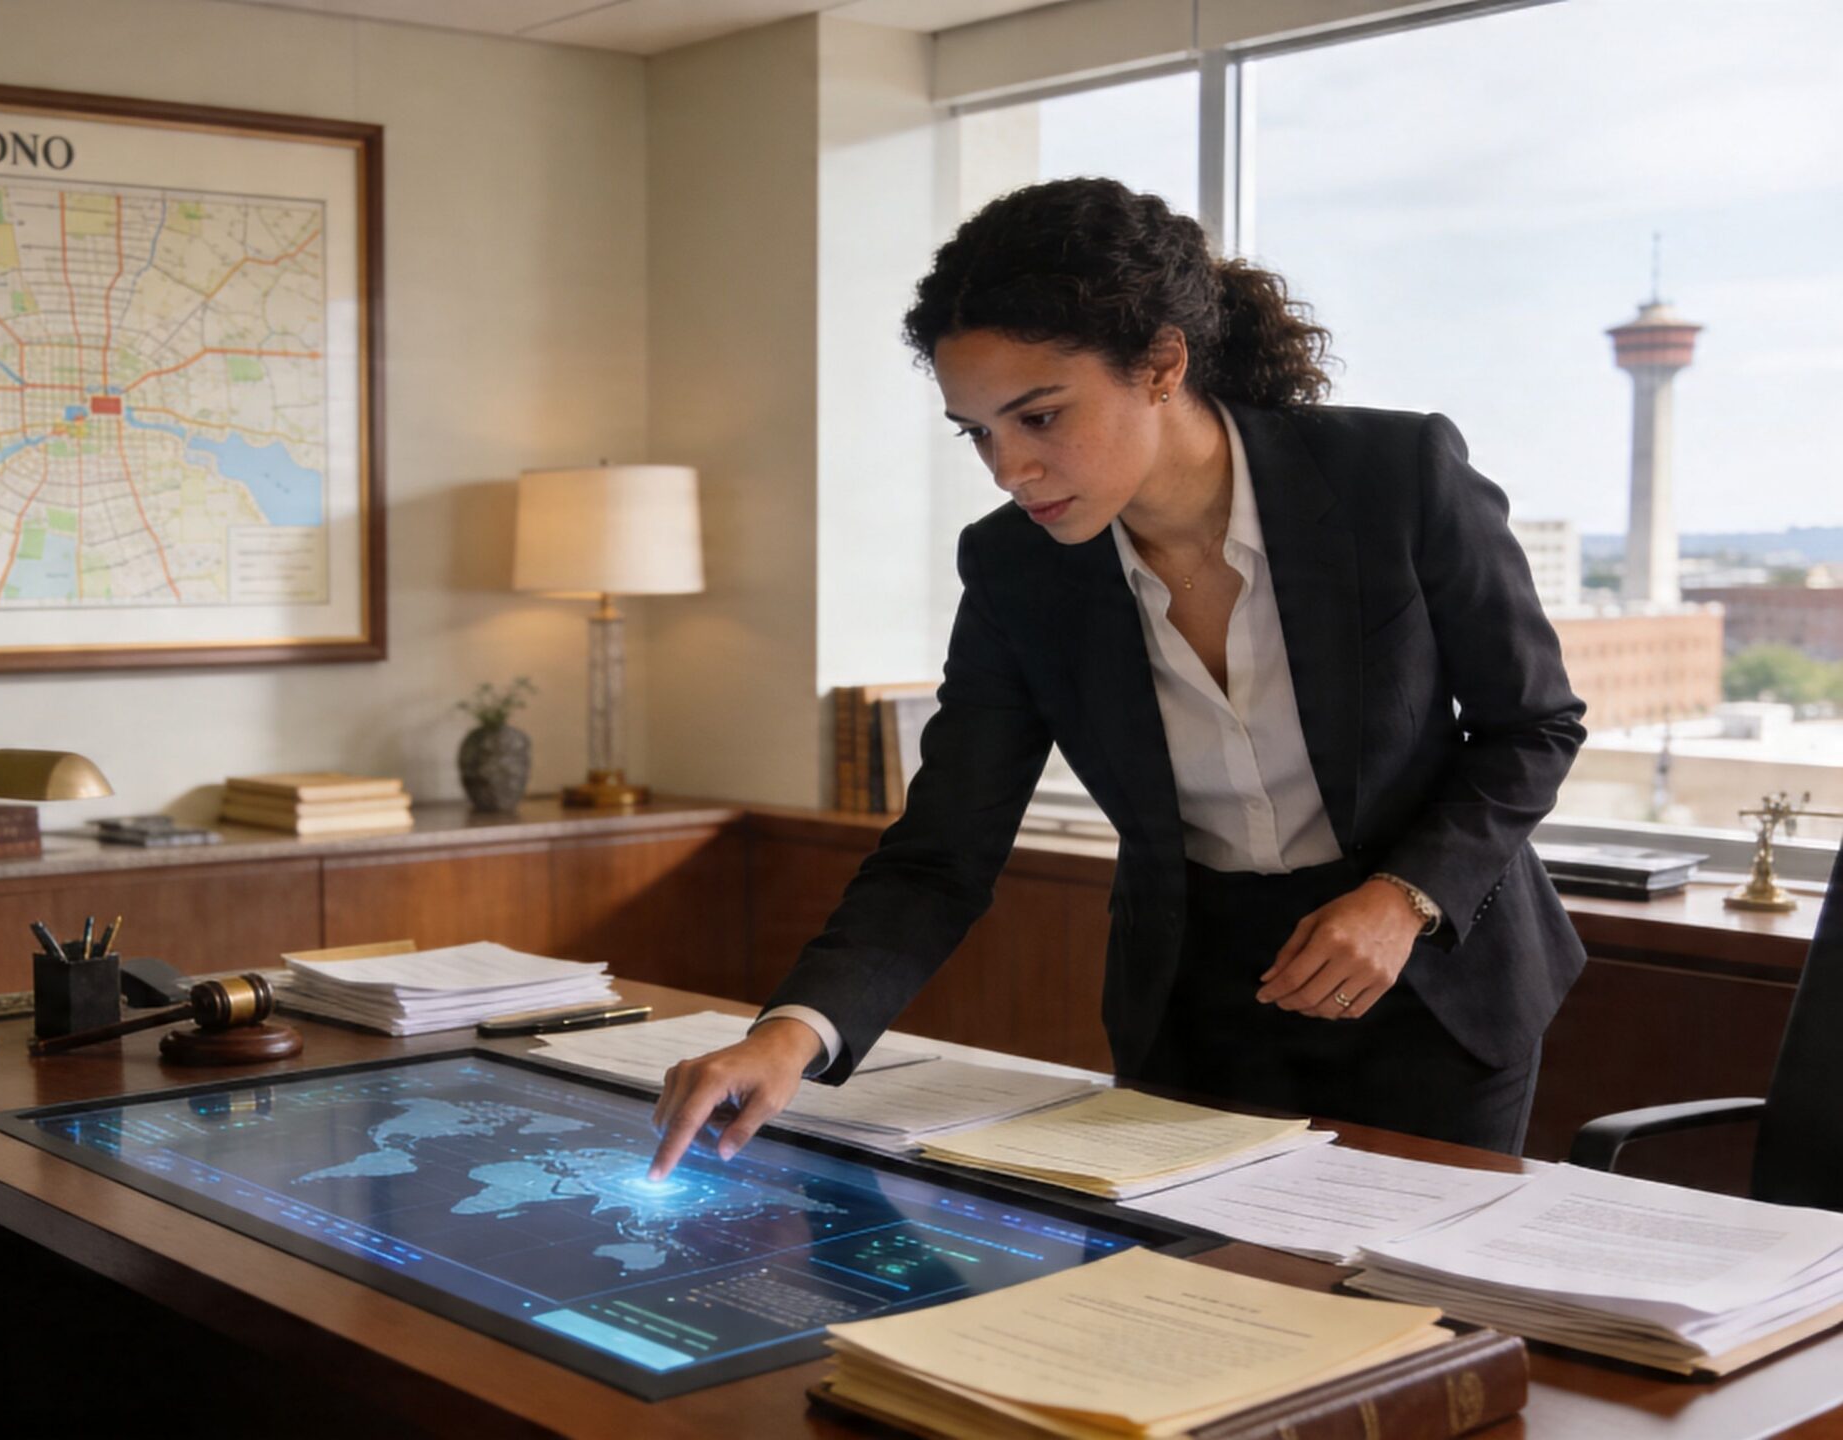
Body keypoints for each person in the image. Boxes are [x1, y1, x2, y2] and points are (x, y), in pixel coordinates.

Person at [650, 177, 1587, 1178]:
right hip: (1200, 1002)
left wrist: (1402, 896)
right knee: (1203, 1312)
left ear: (1160, 364)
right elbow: (941, 853)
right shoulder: (1017, 568)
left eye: (1040, 418)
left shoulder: (1393, 475)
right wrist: (789, 1035)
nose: (1009, 469)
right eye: (977, 432)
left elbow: (1531, 725)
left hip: (1435, 979)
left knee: (1420, 1312)